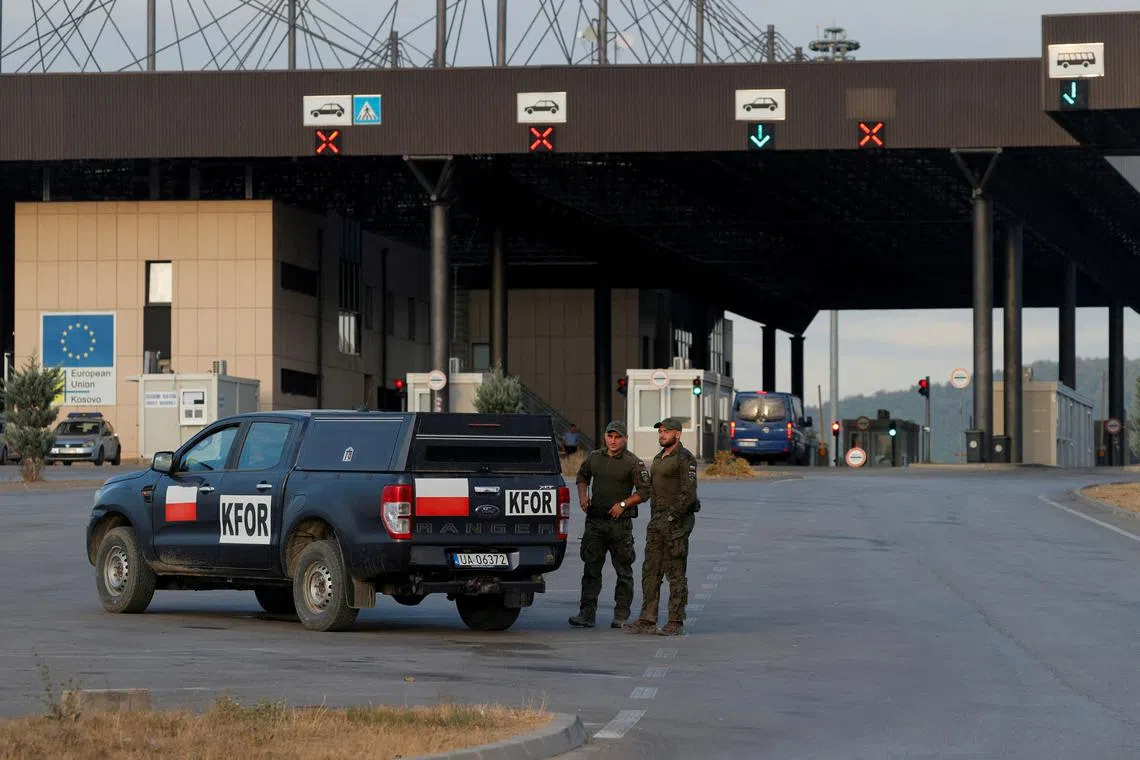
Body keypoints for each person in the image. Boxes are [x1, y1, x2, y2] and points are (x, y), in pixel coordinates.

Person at [568, 420, 651, 629]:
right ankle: (587, 614)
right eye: (610, 436)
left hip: (619, 525)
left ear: (625, 439)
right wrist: (582, 496)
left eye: (617, 437)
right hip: (595, 522)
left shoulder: (633, 463)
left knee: (623, 570)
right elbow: (582, 476)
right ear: (605, 437)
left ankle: (621, 615)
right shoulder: (595, 457)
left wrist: (623, 504)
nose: (613, 441)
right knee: (591, 569)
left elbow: (644, 492)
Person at [623, 417, 699, 637]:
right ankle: (647, 618)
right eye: (660, 432)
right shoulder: (659, 458)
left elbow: (689, 494)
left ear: (678, 434)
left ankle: (675, 621)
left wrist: (672, 517)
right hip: (656, 522)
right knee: (651, 571)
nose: (662, 435)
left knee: (675, 572)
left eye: (666, 432)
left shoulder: (685, 459)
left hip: (676, 524)